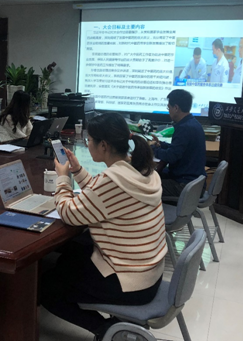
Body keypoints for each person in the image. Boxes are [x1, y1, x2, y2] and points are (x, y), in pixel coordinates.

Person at [41, 112, 166, 339]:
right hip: (149, 272)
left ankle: (105, 330)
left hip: (130, 283)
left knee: (46, 287)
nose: (87, 144)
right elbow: (103, 197)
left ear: (104, 145)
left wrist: (63, 178)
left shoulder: (112, 180)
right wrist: (77, 171)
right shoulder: (140, 169)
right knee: (72, 251)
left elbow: (68, 213)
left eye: (89, 140)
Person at [153, 89, 206, 198]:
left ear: (176, 108)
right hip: (194, 182)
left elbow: (171, 156)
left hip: (184, 185)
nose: (169, 111)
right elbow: (180, 149)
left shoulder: (184, 128)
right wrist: (162, 145)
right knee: (153, 176)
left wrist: (154, 149)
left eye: (169, 108)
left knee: (145, 185)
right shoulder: (193, 123)